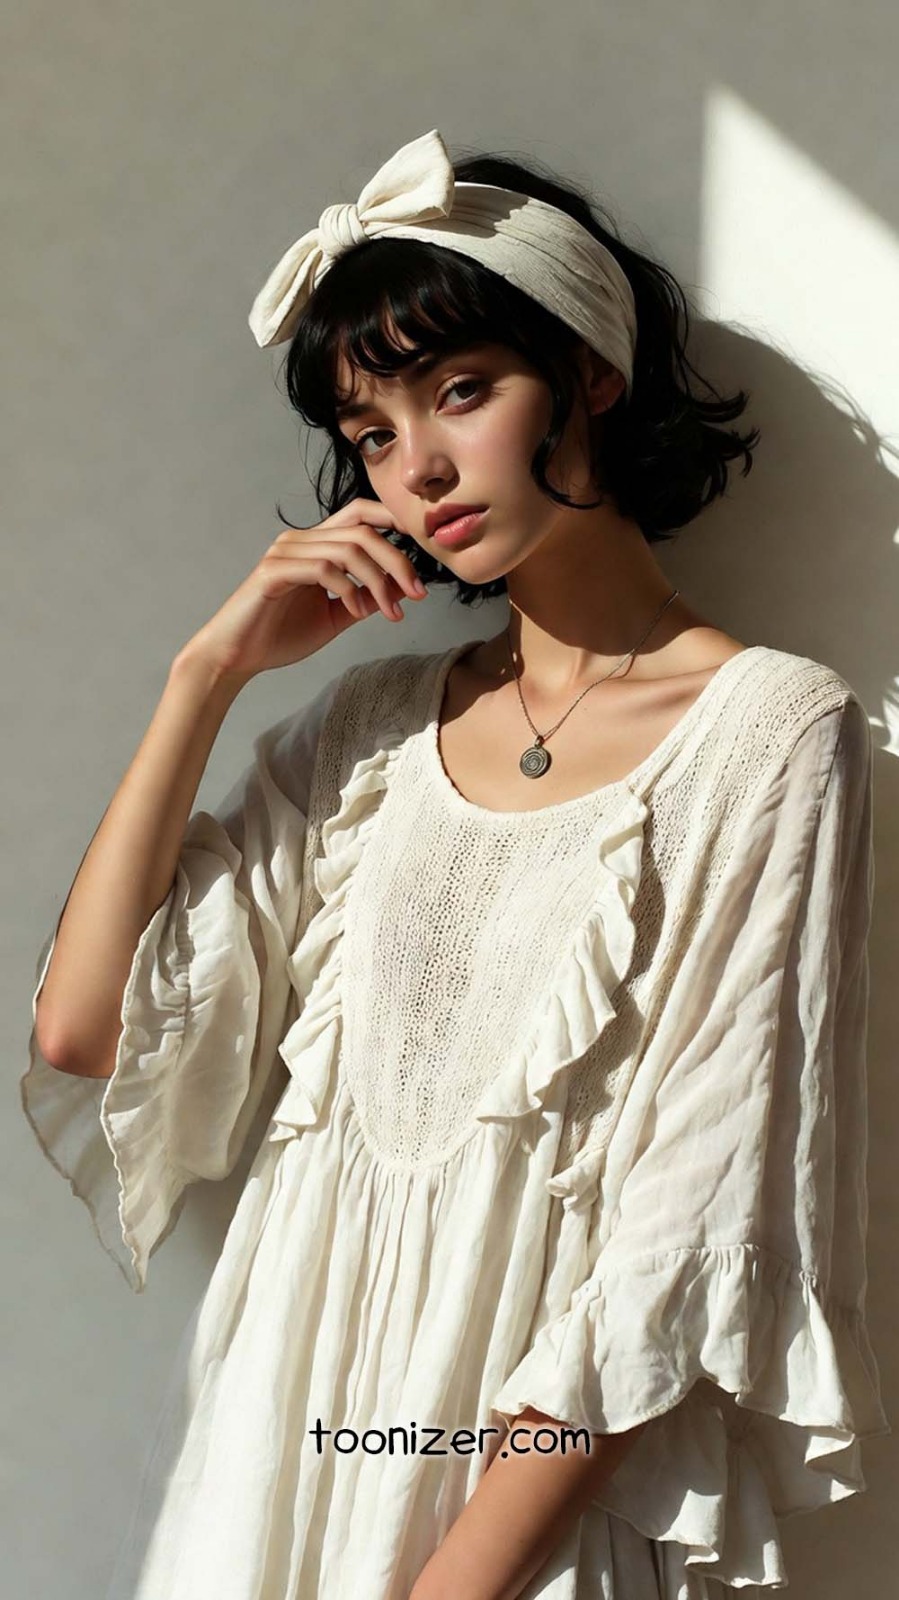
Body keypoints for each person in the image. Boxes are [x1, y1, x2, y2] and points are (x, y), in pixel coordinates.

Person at [22, 128, 888, 1600]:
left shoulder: (772, 734)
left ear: (591, 378)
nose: (416, 466)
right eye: (371, 433)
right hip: (273, 1473)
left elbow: (691, 1221)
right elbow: (84, 1029)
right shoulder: (366, 732)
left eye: (462, 393)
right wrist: (207, 674)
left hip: (516, 1527)